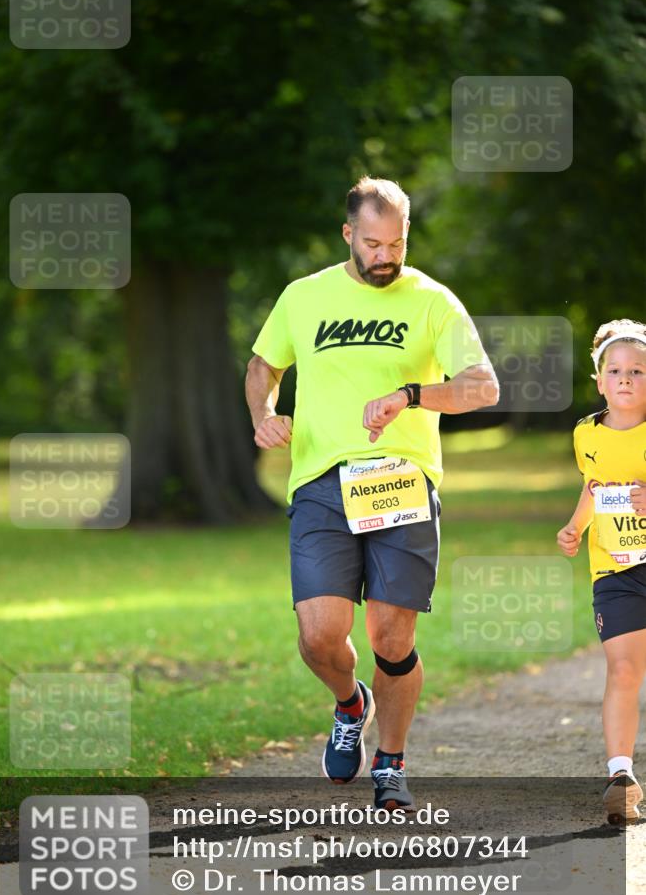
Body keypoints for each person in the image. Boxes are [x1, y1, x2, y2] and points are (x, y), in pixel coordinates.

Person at [245, 176, 499, 810]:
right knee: (319, 637)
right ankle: (348, 702)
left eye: (397, 243)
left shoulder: (433, 301)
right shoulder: (304, 297)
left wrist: (411, 396)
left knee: (391, 638)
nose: (386, 256)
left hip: (401, 482)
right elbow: (262, 367)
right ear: (348, 235)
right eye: (373, 243)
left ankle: (391, 759)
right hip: (321, 484)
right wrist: (264, 412)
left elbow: (483, 387)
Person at [557, 319, 646, 823]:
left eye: (637, 370)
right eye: (615, 370)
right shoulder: (585, 434)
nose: (626, 378)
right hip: (614, 569)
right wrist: (574, 527)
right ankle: (621, 777)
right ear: (599, 380)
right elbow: (595, 487)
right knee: (625, 669)